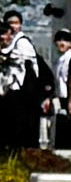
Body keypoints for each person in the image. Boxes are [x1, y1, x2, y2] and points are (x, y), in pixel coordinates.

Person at [0, 10, 42, 151]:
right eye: (10, 24)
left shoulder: (22, 43)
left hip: (21, 94)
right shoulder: (10, 44)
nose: (13, 26)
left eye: (16, 23)